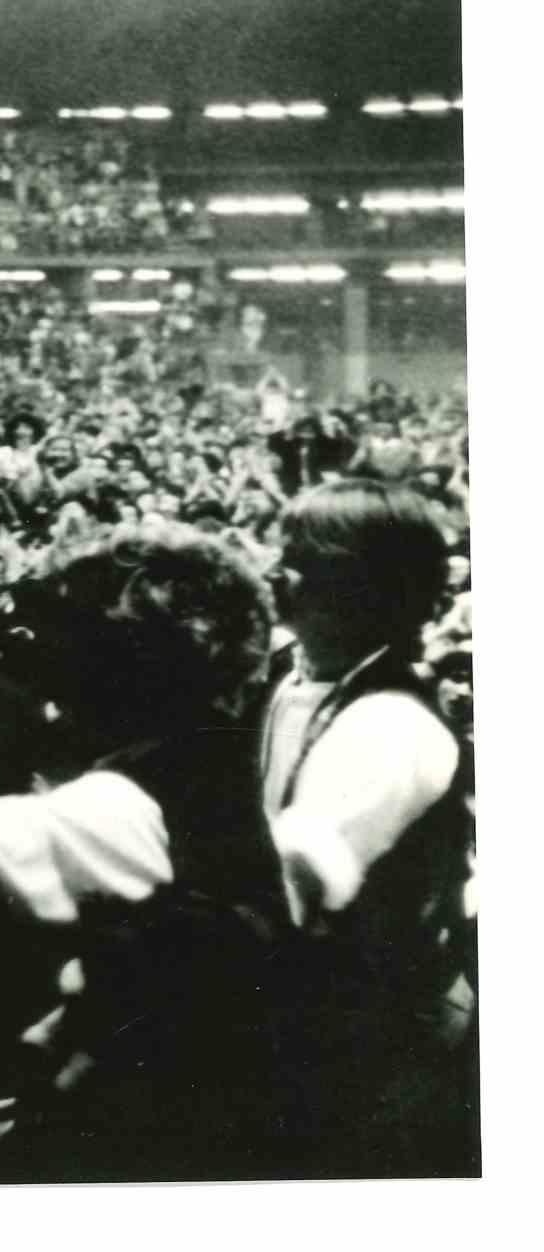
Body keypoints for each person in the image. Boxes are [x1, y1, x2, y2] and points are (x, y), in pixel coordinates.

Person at [0, 525, 288, 1179]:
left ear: (125, 665)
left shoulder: (129, 807)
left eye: (70, 635)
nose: (46, 654)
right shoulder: (202, 759)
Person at [260, 478, 476, 1174]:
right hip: (310, 1013)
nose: (273, 573)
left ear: (355, 588)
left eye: (294, 558)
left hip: (371, 1048)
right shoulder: (290, 682)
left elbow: (290, 894)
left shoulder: (392, 725)